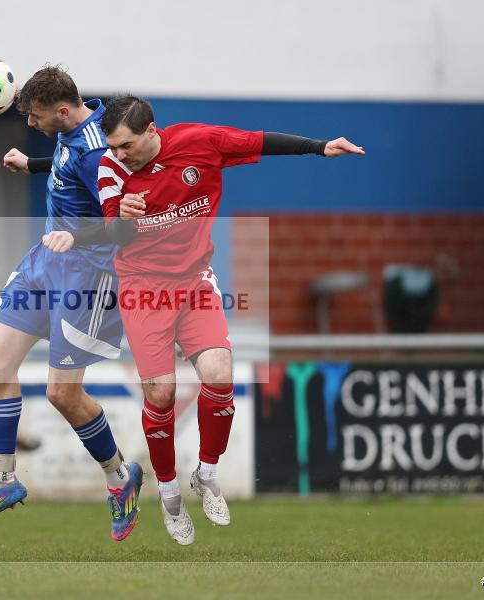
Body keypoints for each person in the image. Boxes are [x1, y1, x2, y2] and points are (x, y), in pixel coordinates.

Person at [89, 95, 364, 545]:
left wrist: (319, 146)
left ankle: (208, 473)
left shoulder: (201, 142)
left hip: (195, 280)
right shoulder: (111, 169)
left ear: (152, 131)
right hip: (143, 287)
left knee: (219, 374)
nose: (118, 154)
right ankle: (170, 493)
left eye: (126, 145)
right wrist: (121, 216)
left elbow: (260, 142)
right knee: (161, 393)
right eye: (112, 147)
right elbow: (115, 236)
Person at [0, 69, 142, 542]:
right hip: (47, 259)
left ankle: (121, 480)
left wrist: (74, 234)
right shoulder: (74, 124)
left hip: (89, 273)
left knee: (63, 395)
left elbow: (122, 225)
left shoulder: (101, 150)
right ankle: (3, 481)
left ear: (61, 110)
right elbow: (71, 166)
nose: (32, 124)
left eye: (36, 118)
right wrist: (34, 164)